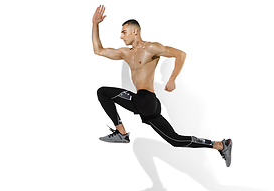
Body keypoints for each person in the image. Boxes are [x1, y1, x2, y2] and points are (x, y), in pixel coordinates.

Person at [92, 5, 232, 167]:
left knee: (103, 92)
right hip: (145, 104)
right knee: (175, 140)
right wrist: (95, 24)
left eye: (124, 32)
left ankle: (121, 132)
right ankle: (220, 145)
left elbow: (180, 54)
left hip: (146, 100)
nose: (121, 36)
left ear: (134, 31)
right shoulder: (126, 53)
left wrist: (172, 79)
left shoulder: (151, 48)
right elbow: (98, 50)